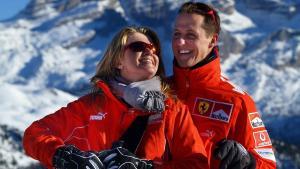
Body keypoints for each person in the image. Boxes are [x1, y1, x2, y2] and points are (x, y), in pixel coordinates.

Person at [22, 26, 208, 169]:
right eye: (138, 47)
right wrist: (62, 156)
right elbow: (34, 134)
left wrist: (147, 167)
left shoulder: (172, 109)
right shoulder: (91, 107)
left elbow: (197, 163)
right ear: (118, 60)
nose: (150, 52)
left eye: (153, 49)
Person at [170, 2, 276, 169]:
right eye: (177, 34)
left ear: (212, 40)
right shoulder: (159, 90)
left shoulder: (237, 101)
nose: (180, 42)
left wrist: (248, 161)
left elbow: (268, 165)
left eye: (190, 35)